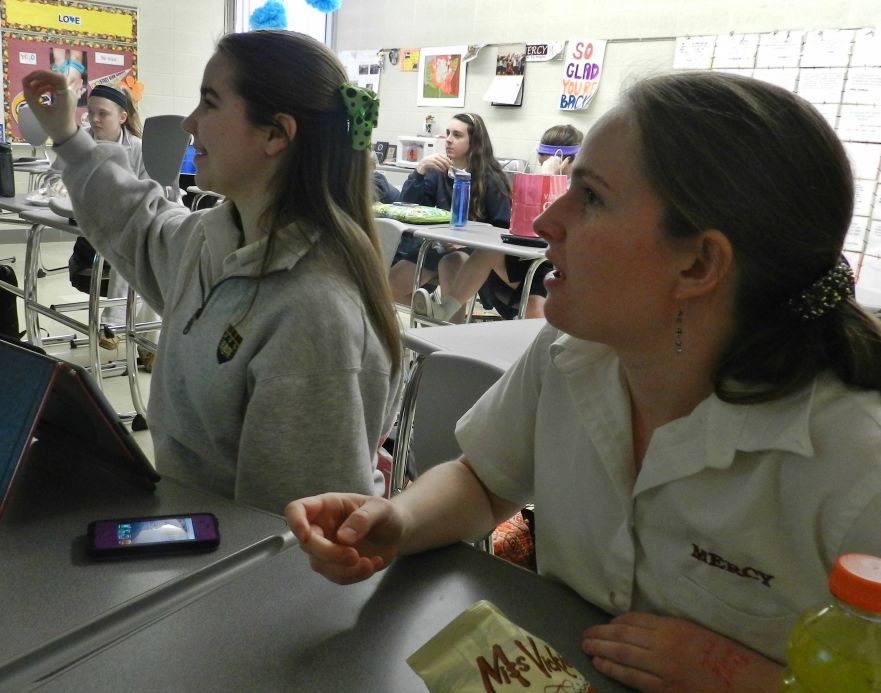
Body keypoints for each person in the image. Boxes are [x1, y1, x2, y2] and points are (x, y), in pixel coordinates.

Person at [286, 71, 881, 692]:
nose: (545, 221)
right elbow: (484, 480)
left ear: (699, 263)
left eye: (592, 198)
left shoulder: (857, 462)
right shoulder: (571, 351)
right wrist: (398, 519)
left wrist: (748, 680)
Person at [22, 29, 402, 514]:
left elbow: (289, 540)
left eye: (210, 103)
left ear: (275, 134)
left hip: (246, 572)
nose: (189, 122)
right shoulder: (213, 236)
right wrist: (69, 137)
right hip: (194, 533)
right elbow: (139, 222)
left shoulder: (314, 315)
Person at [416, 123, 582, 323]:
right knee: (487, 250)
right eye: (543, 160)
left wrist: (552, 178)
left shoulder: (580, 189)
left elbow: (556, 228)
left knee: (534, 308)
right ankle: (445, 311)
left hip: (556, 263)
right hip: (528, 256)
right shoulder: (532, 183)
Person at [62, 84, 157, 357]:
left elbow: (150, 190)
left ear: (122, 117)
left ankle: (127, 332)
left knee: (149, 259)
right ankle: (140, 339)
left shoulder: (138, 148)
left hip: (131, 229)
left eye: (102, 114)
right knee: (136, 251)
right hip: (93, 237)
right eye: (91, 113)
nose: (94, 120)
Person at [387, 112, 511, 306]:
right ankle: (431, 317)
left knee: (451, 263)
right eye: (447, 133)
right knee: (389, 288)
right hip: (439, 246)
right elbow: (410, 210)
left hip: (475, 253)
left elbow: (502, 228)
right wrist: (419, 172)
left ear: (475, 142)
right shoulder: (437, 171)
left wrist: (467, 243)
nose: (449, 140)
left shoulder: (491, 179)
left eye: (457, 135)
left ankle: (448, 323)